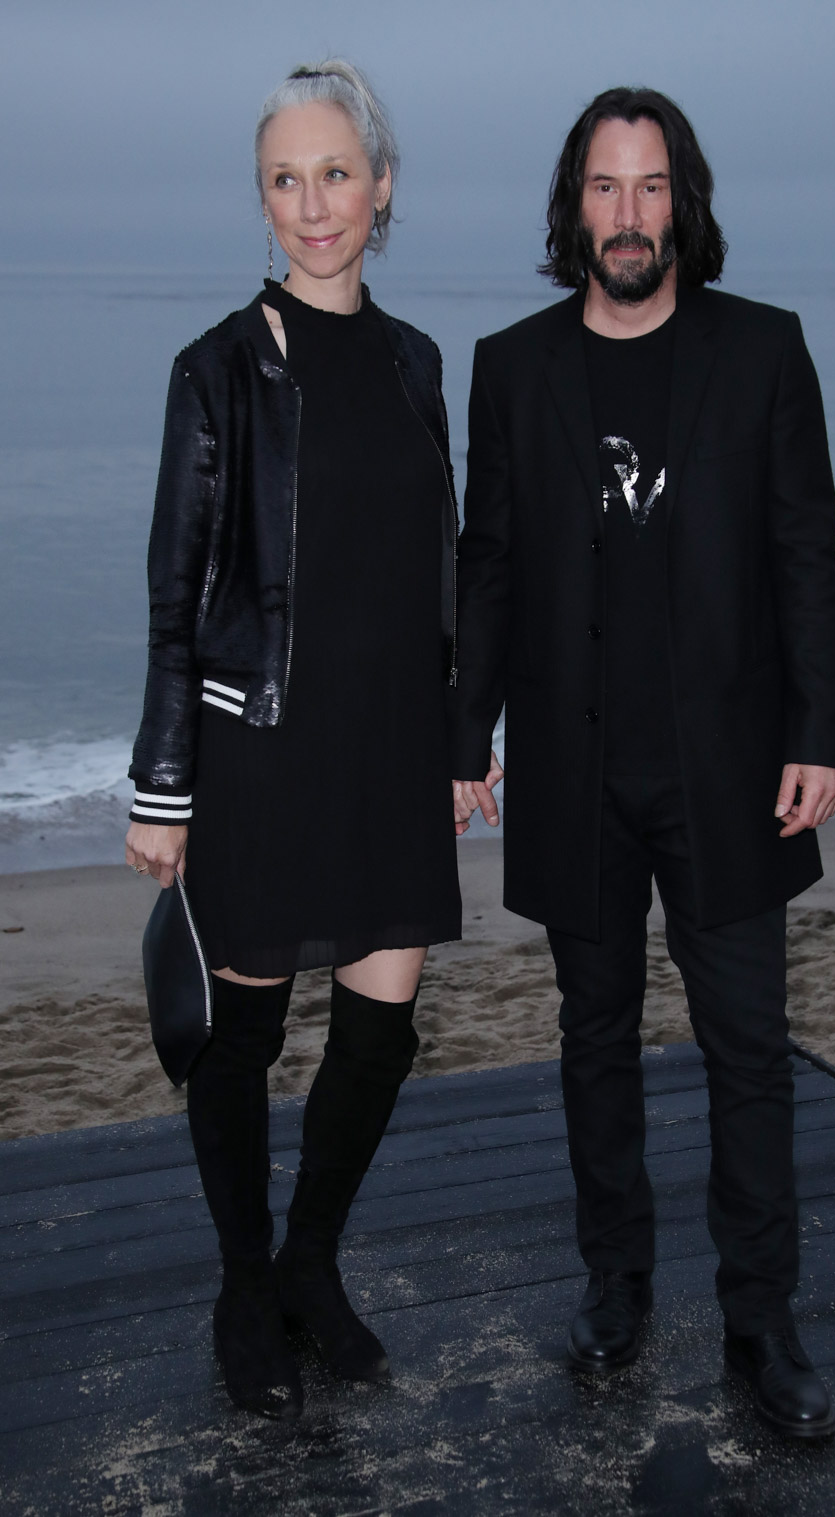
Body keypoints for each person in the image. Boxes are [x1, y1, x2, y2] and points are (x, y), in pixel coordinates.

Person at [451, 86, 835, 1440]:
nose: (630, 215)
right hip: (575, 763)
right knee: (592, 1038)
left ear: (688, 202)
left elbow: (805, 553)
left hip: (734, 763)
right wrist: (468, 734)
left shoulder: (765, 352)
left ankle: (762, 1318)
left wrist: (820, 732)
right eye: (606, 189)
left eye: (653, 186)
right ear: (575, 207)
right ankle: (616, 1282)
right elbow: (490, 565)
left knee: (749, 1049)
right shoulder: (511, 368)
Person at [125, 60, 461, 1421]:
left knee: (382, 1024)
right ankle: (243, 1281)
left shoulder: (417, 362)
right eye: (286, 179)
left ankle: (312, 1260)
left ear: (381, 191)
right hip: (257, 748)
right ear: (261, 203)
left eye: (336, 175)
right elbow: (175, 591)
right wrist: (162, 790)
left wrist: (461, 734)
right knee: (242, 1036)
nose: (313, 206)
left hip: (389, 750)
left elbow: (440, 566)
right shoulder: (213, 371)